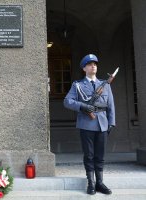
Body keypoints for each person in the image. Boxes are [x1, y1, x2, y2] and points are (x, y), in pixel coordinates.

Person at [64, 54, 115, 195]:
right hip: (87, 124)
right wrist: (82, 107)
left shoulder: (105, 85)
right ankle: (91, 183)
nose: (93, 66)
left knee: (101, 155)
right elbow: (67, 101)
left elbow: (110, 105)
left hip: (103, 124)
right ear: (84, 68)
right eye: (90, 64)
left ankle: (100, 182)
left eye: (95, 64)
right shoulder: (78, 85)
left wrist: (111, 122)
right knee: (89, 155)